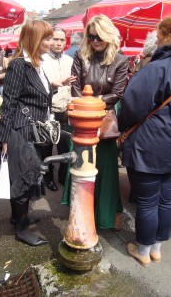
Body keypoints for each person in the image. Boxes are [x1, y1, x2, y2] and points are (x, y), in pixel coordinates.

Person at [118, 15, 171, 267]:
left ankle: (143, 251)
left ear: (163, 37)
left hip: (149, 146)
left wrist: (121, 128)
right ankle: (157, 248)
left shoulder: (157, 67)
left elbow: (131, 105)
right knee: (165, 198)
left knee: (149, 201)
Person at [64, 14, 129, 230]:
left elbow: (118, 93)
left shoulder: (120, 60)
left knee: (106, 168)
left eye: (98, 37)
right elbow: (74, 86)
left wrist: (93, 102)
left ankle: (106, 214)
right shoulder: (81, 56)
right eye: (90, 37)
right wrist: (86, 104)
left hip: (104, 121)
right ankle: (80, 211)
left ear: (108, 36)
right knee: (80, 165)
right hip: (82, 121)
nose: (94, 41)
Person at [0, 20, 55, 246]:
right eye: (47, 38)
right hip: (20, 129)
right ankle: (21, 229)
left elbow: (34, 95)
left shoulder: (36, 64)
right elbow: (9, 102)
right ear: (34, 39)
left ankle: (17, 217)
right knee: (23, 178)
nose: (50, 42)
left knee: (25, 175)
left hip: (33, 129)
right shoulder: (19, 65)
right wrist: (4, 137)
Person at [42, 27, 76, 191]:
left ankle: (63, 176)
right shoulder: (42, 60)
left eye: (62, 40)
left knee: (65, 146)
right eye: (55, 39)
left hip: (66, 110)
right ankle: (47, 177)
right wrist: (54, 84)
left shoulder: (70, 60)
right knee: (47, 145)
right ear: (49, 40)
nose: (59, 43)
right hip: (49, 110)